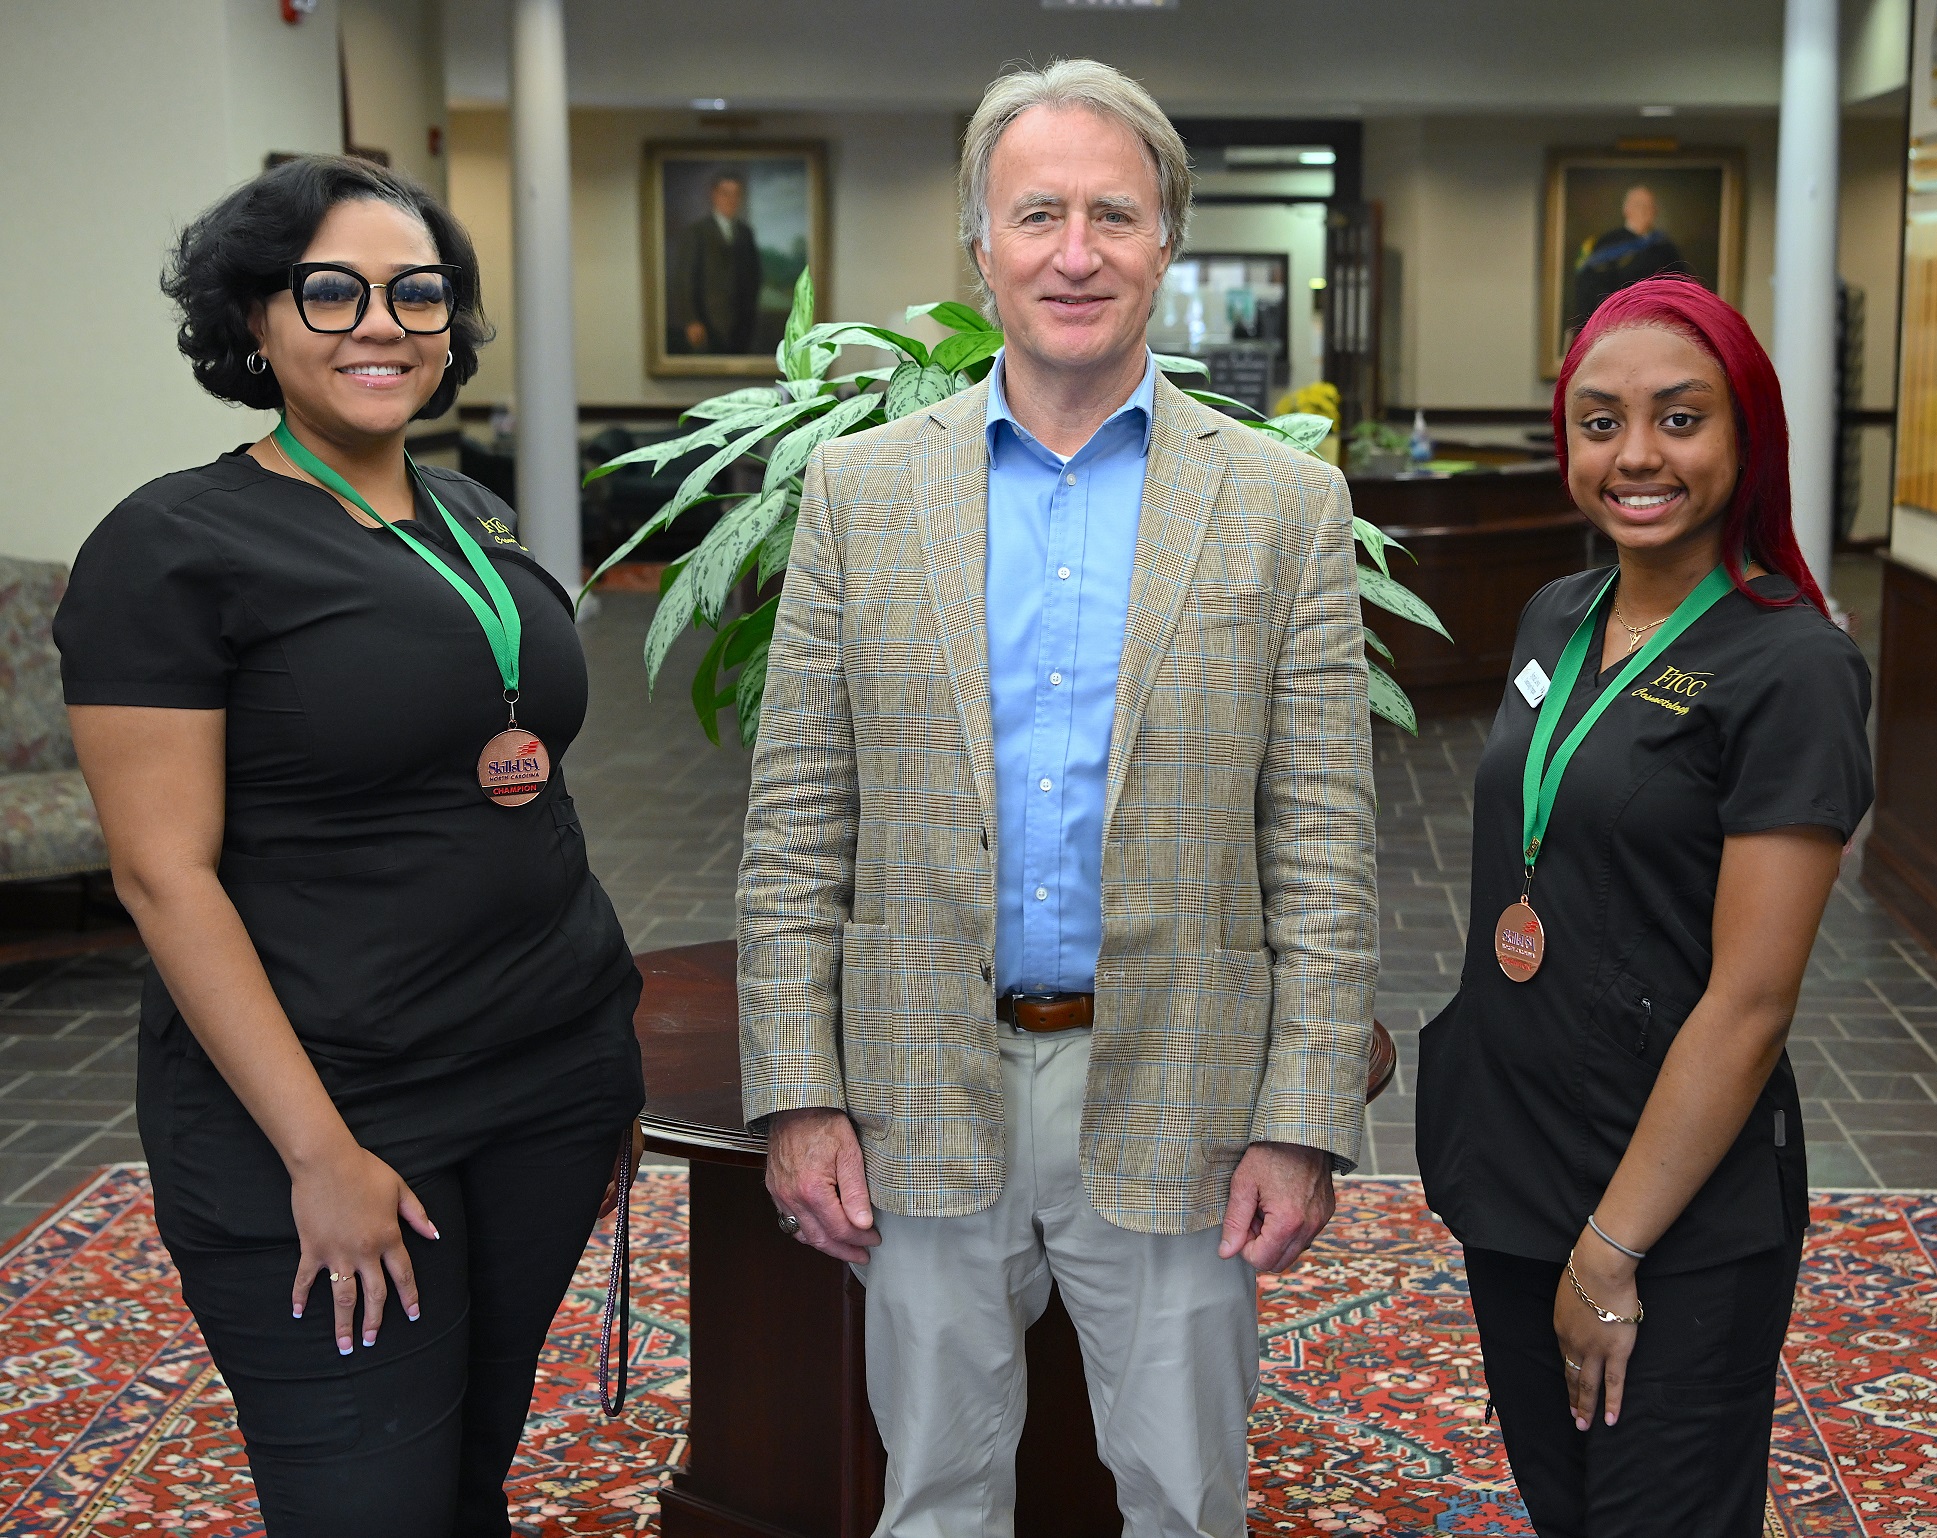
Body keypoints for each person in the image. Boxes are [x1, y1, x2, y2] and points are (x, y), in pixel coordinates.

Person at [737, 59, 1378, 1537]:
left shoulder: (1285, 505)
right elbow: (794, 824)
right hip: (914, 1089)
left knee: (1179, 1493)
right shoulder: (859, 491)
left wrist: (1299, 1118)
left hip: (1180, 1090)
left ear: (1168, 241)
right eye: (1036, 213)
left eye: (1113, 213)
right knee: (938, 1489)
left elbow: (1327, 841)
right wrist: (801, 1091)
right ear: (980, 250)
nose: (1074, 250)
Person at [55, 155, 643, 1537]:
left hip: (541, 1080)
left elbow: (517, 775)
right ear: (252, 321)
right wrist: (319, 1153)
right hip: (327, 1103)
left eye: (415, 291)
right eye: (330, 290)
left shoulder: (473, 515)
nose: (381, 322)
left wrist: (595, 1054)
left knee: (461, 1479)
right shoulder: (170, 546)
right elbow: (161, 872)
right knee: (366, 1502)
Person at [1415, 275, 1872, 1538]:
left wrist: (1609, 1249)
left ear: (1745, 437)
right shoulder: (1553, 615)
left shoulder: (1795, 667)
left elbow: (1751, 999)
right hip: (1514, 1160)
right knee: (1566, 1506)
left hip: (1667, 1196)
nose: (1635, 457)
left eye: (1679, 418)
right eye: (1599, 421)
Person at [668, 169, 761, 354]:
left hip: (742, 324)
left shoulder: (745, 233)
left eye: (736, 194)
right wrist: (691, 320)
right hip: (707, 323)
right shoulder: (697, 232)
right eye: (725, 194)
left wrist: (750, 312)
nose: (731, 200)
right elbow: (684, 279)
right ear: (714, 196)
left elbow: (755, 275)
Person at [1572, 185, 1687, 332]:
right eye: (1639, 205)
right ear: (1626, 210)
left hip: (1657, 325)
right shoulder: (1607, 244)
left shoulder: (1665, 248)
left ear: (1655, 212)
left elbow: (1679, 286)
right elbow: (1591, 287)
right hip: (1614, 323)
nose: (1645, 210)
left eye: (1649, 206)